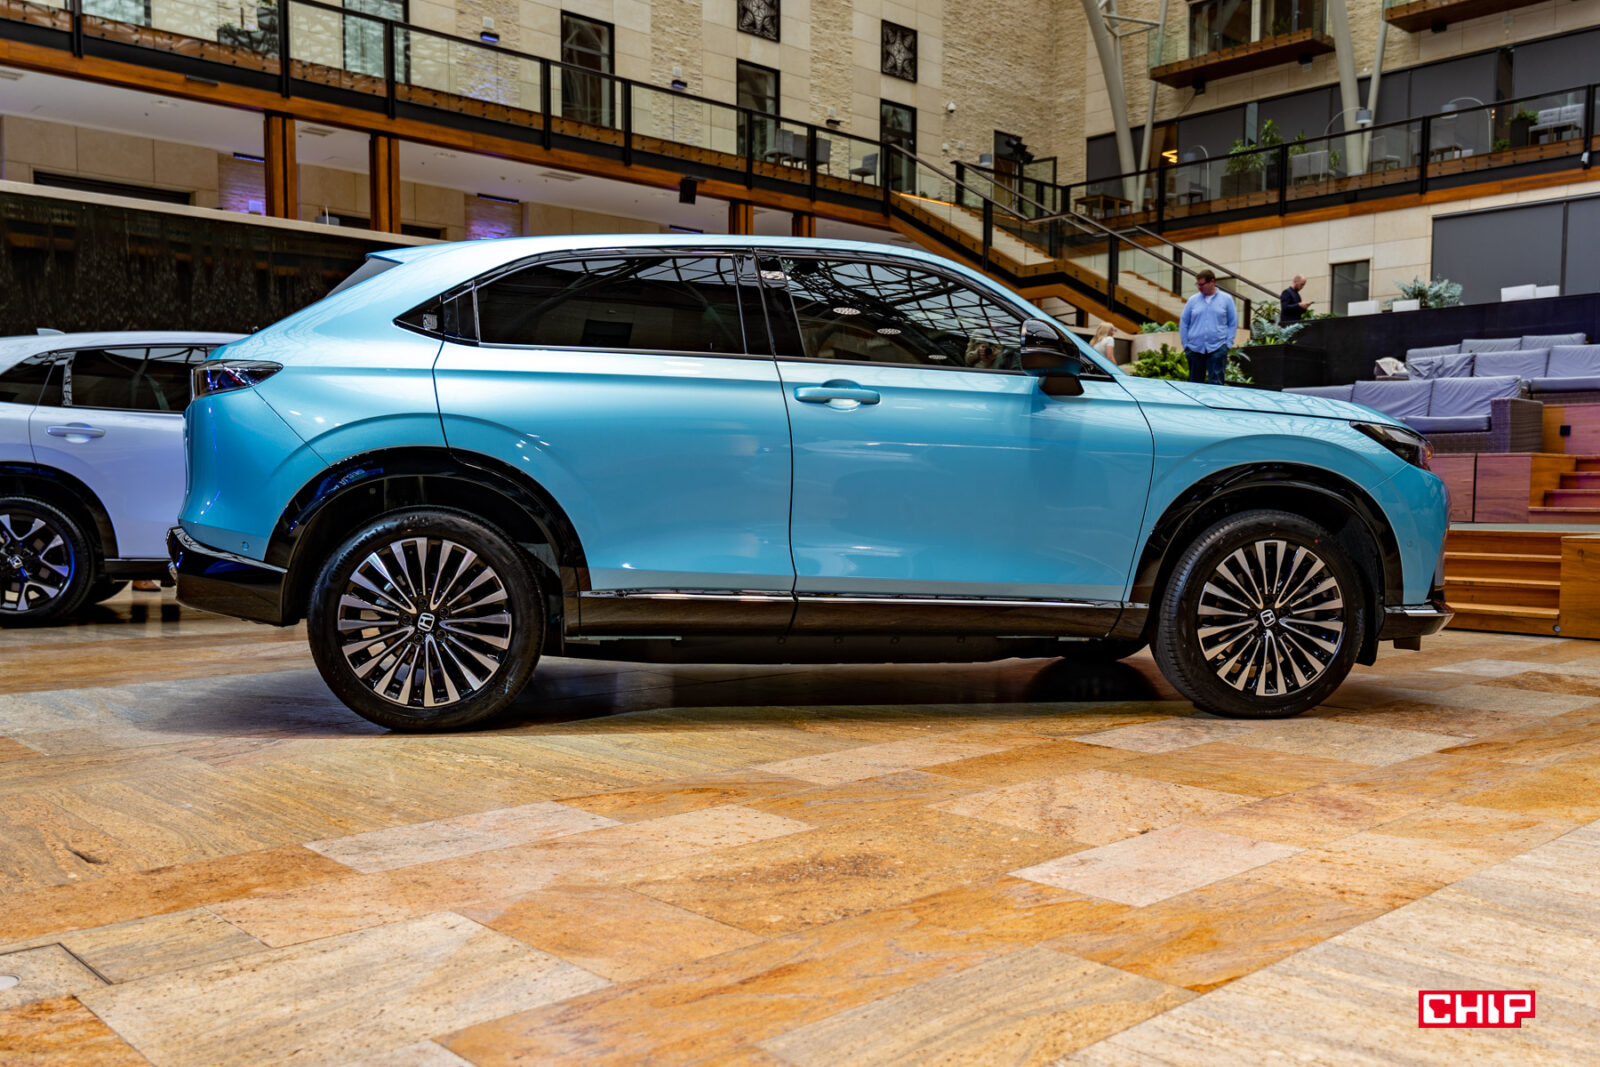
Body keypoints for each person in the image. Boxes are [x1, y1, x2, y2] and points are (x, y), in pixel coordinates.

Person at [1179, 269, 1238, 386]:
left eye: (1202, 284)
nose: (1199, 287)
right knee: (1195, 385)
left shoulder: (1226, 299)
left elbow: (1232, 322)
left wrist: (1228, 344)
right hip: (1195, 349)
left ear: (1212, 282)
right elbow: (1184, 322)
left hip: (1217, 347)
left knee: (1216, 384)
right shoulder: (1192, 300)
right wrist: (1186, 346)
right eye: (1197, 284)